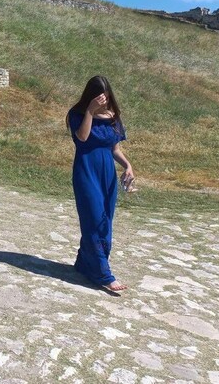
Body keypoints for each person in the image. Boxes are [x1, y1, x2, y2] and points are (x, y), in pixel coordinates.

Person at [66, 76, 134, 292]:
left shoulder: (113, 117)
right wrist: (90, 111)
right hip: (86, 171)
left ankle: (85, 264)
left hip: (107, 175)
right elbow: (82, 138)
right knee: (94, 219)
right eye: (99, 98)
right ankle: (104, 274)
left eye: (106, 98)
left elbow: (114, 148)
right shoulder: (77, 114)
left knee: (105, 220)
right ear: (91, 97)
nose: (103, 102)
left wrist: (128, 166)